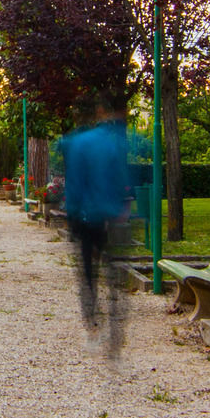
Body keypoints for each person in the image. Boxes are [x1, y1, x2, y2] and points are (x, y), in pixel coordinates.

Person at [60, 95, 132, 353]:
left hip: (86, 216)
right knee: (113, 269)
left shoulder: (75, 144)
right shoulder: (113, 143)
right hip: (110, 215)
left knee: (88, 272)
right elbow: (123, 179)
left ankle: (92, 325)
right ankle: (115, 329)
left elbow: (74, 183)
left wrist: (72, 214)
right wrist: (124, 206)